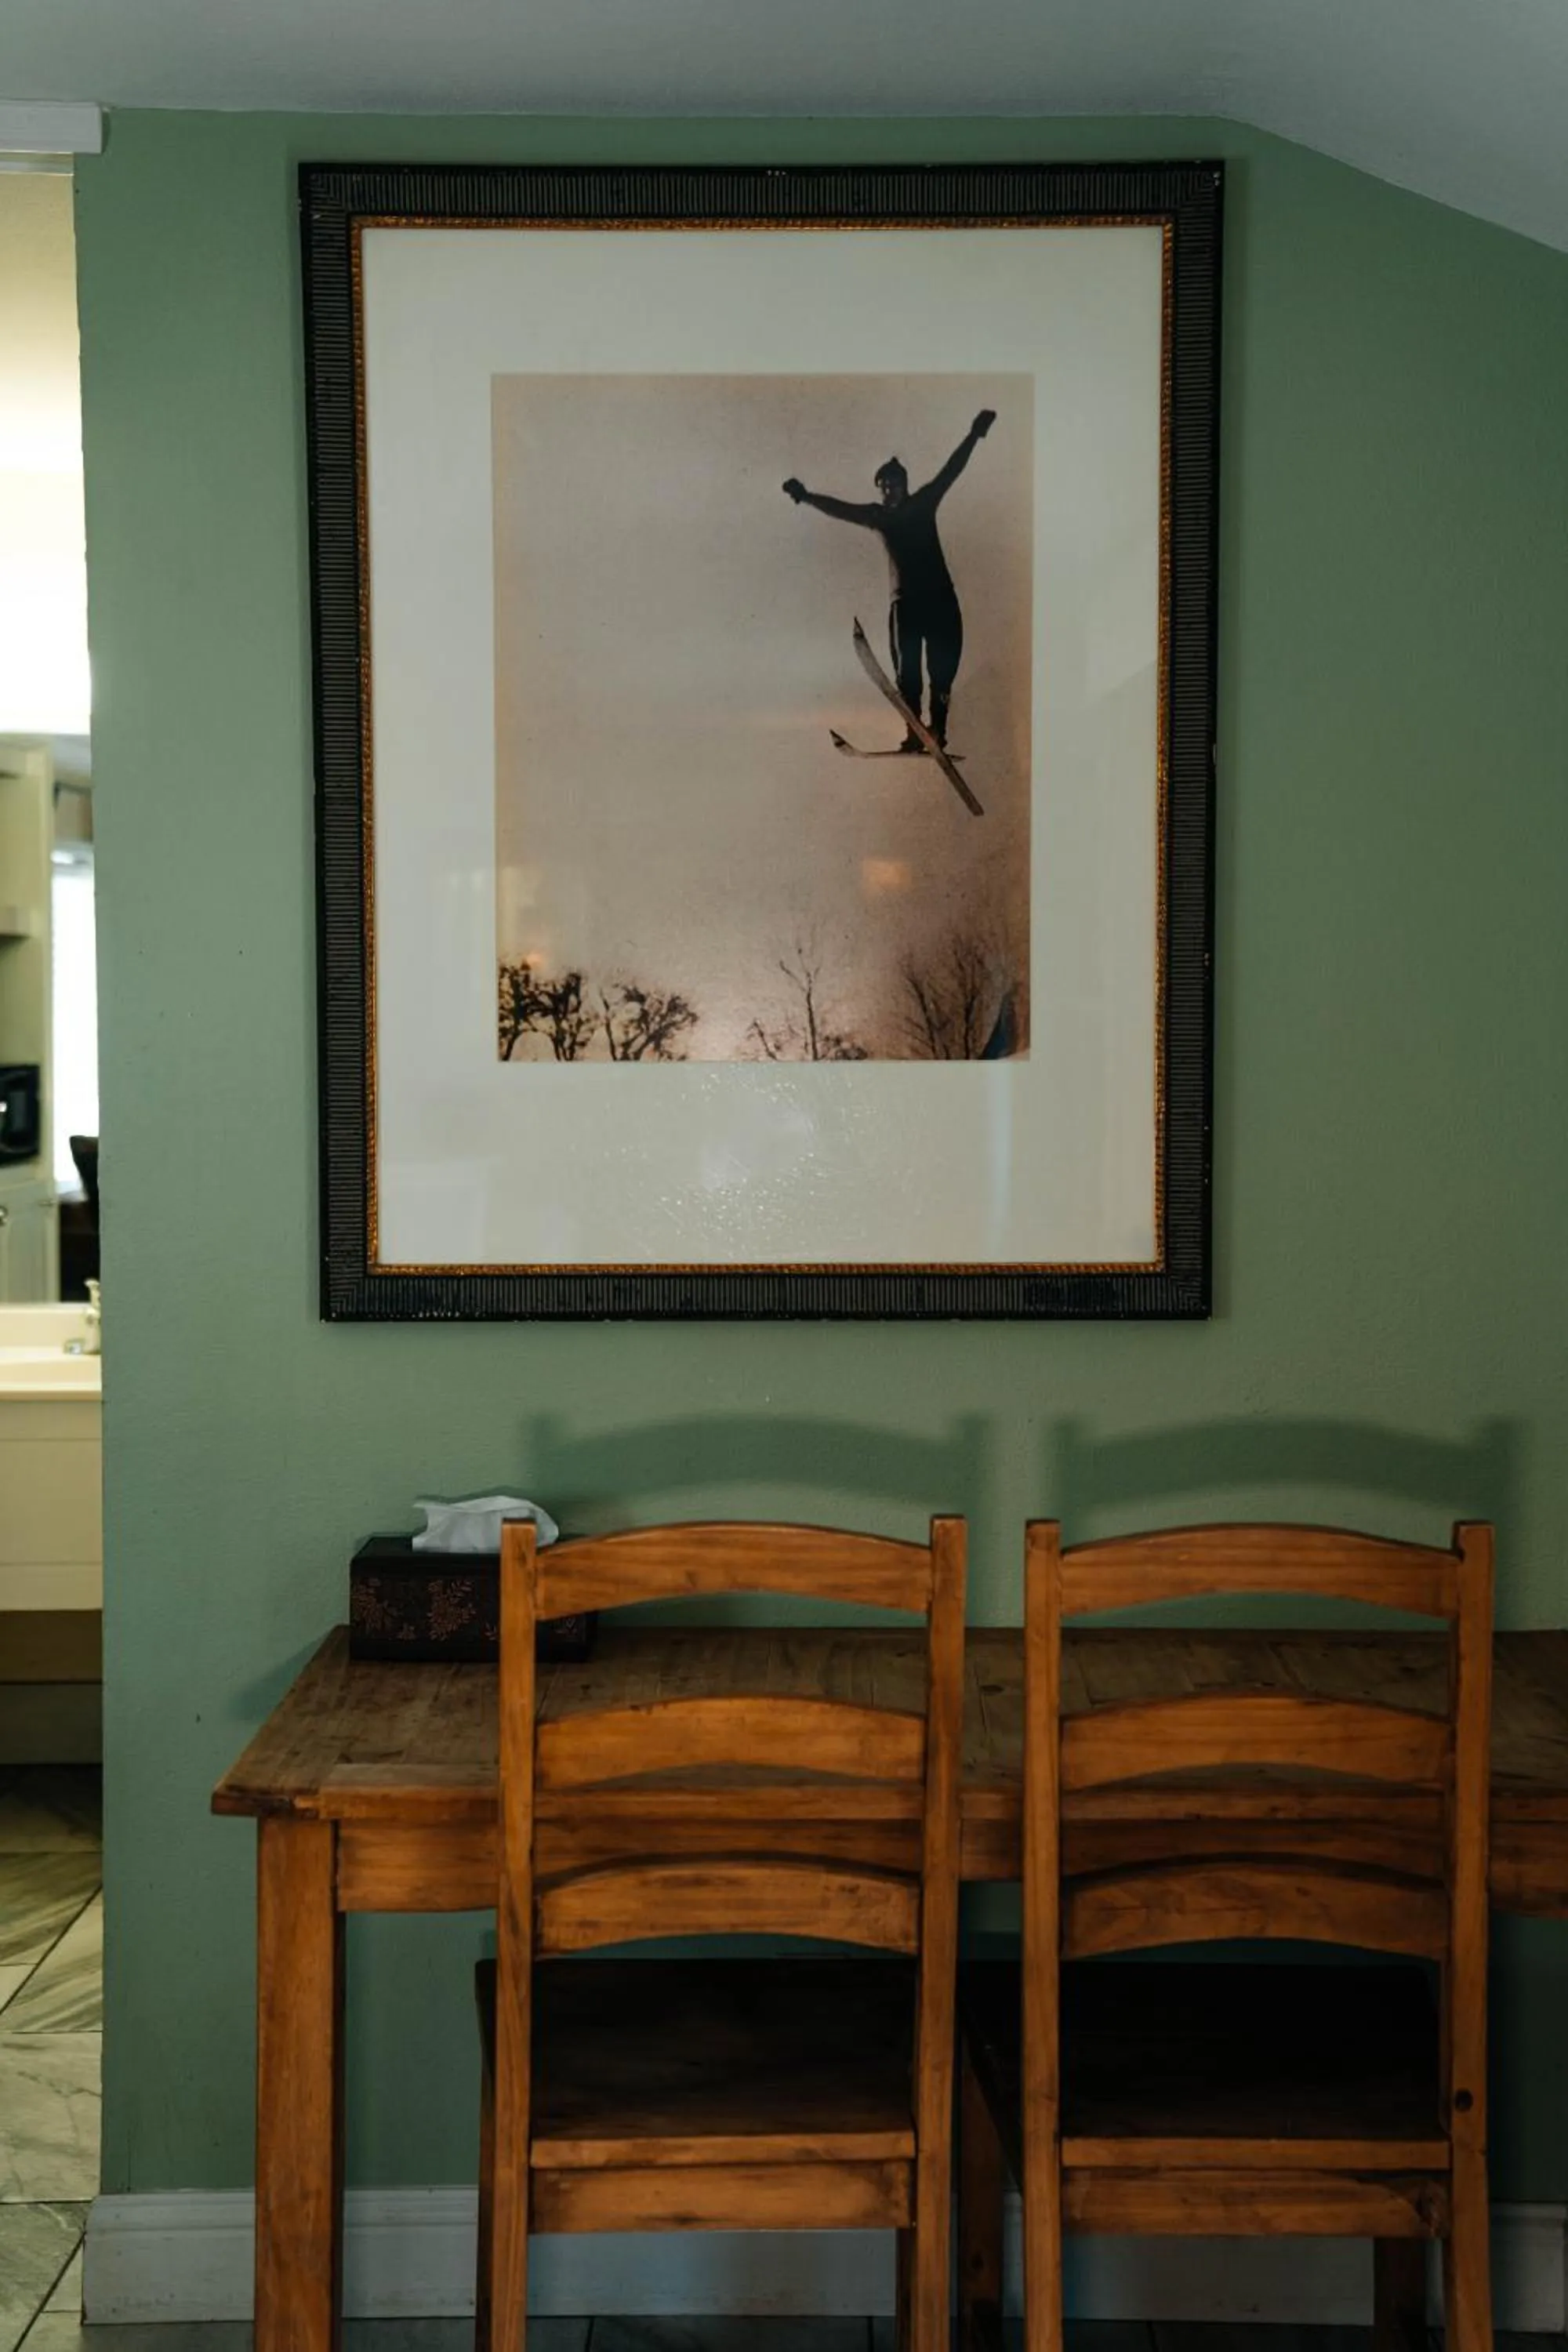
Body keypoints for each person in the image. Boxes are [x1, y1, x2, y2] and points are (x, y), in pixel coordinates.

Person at [782, 409, 996, 750]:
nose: (889, 492)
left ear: (905, 485)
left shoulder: (923, 504)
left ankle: (937, 731)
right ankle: (915, 734)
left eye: (894, 486)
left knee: (942, 671)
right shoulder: (877, 516)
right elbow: (840, 508)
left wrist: (974, 435)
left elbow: (951, 471)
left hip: (939, 599)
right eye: (883, 488)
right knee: (907, 673)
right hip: (905, 604)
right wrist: (806, 496)